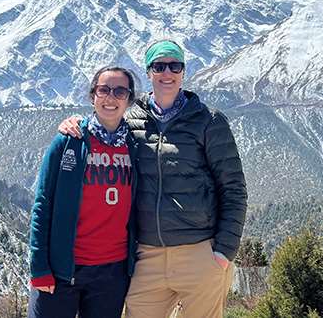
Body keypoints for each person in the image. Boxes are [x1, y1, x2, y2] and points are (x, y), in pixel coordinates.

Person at [59, 40, 248, 318]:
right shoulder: (131, 119)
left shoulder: (209, 121)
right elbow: (103, 125)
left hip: (199, 252)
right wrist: (74, 124)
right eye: (159, 66)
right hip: (146, 255)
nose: (167, 73)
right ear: (148, 71)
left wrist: (223, 252)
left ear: (183, 71)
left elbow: (233, 189)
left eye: (175, 65)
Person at [28, 66, 140, 318]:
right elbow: (42, 204)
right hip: (63, 269)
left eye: (120, 91)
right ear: (92, 96)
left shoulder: (135, 146)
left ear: (129, 100)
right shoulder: (69, 141)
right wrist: (39, 267)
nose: (111, 97)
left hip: (112, 272)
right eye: (104, 90)